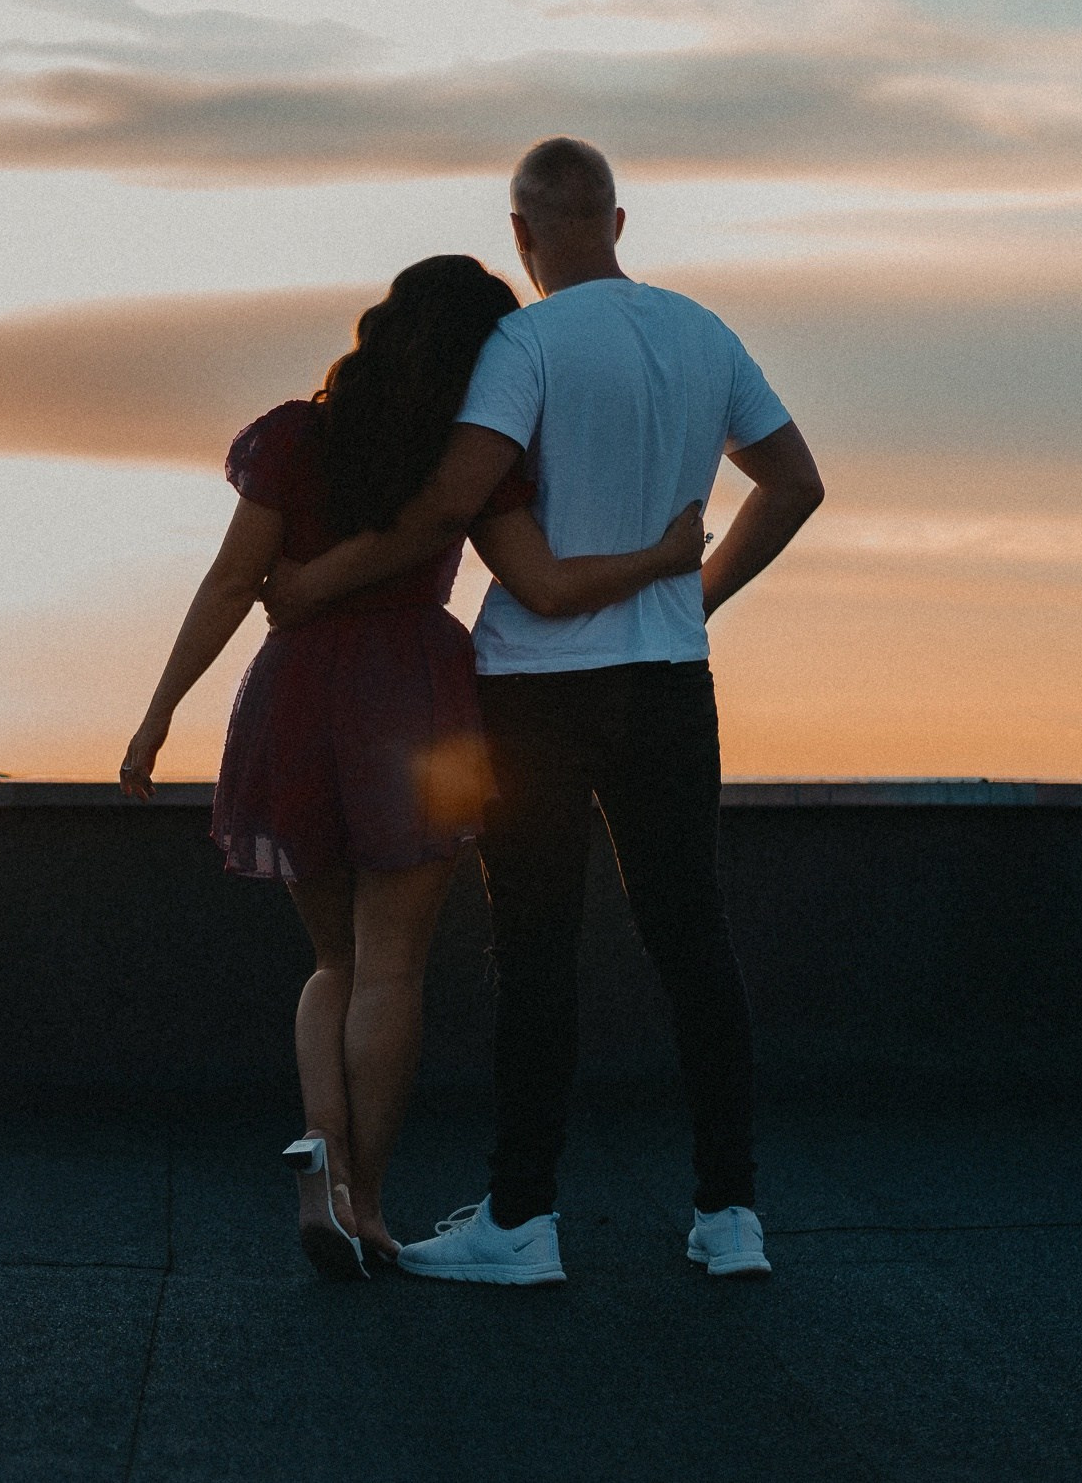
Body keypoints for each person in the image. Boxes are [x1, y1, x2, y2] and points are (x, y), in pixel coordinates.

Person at [267, 139, 825, 1286]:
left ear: (520, 234)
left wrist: (317, 582)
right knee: (693, 940)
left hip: (532, 690)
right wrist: (692, 591)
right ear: (617, 219)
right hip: (670, 677)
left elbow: (457, 500)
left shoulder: (520, 341)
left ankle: (522, 1221)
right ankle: (730, 1216)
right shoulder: (703, 332)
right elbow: (795, 481)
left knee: (535, 954)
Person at [119, 253, 708, 1281]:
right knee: (391, 966)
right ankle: (369, 1201)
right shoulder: (470, 455)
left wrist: (157, 712)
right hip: (416, 700)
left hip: (294, 695)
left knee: (332, 961)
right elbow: (543, 583)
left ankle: (320, 1144)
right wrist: (662, 560)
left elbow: (228, 582)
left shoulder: (292, 438)